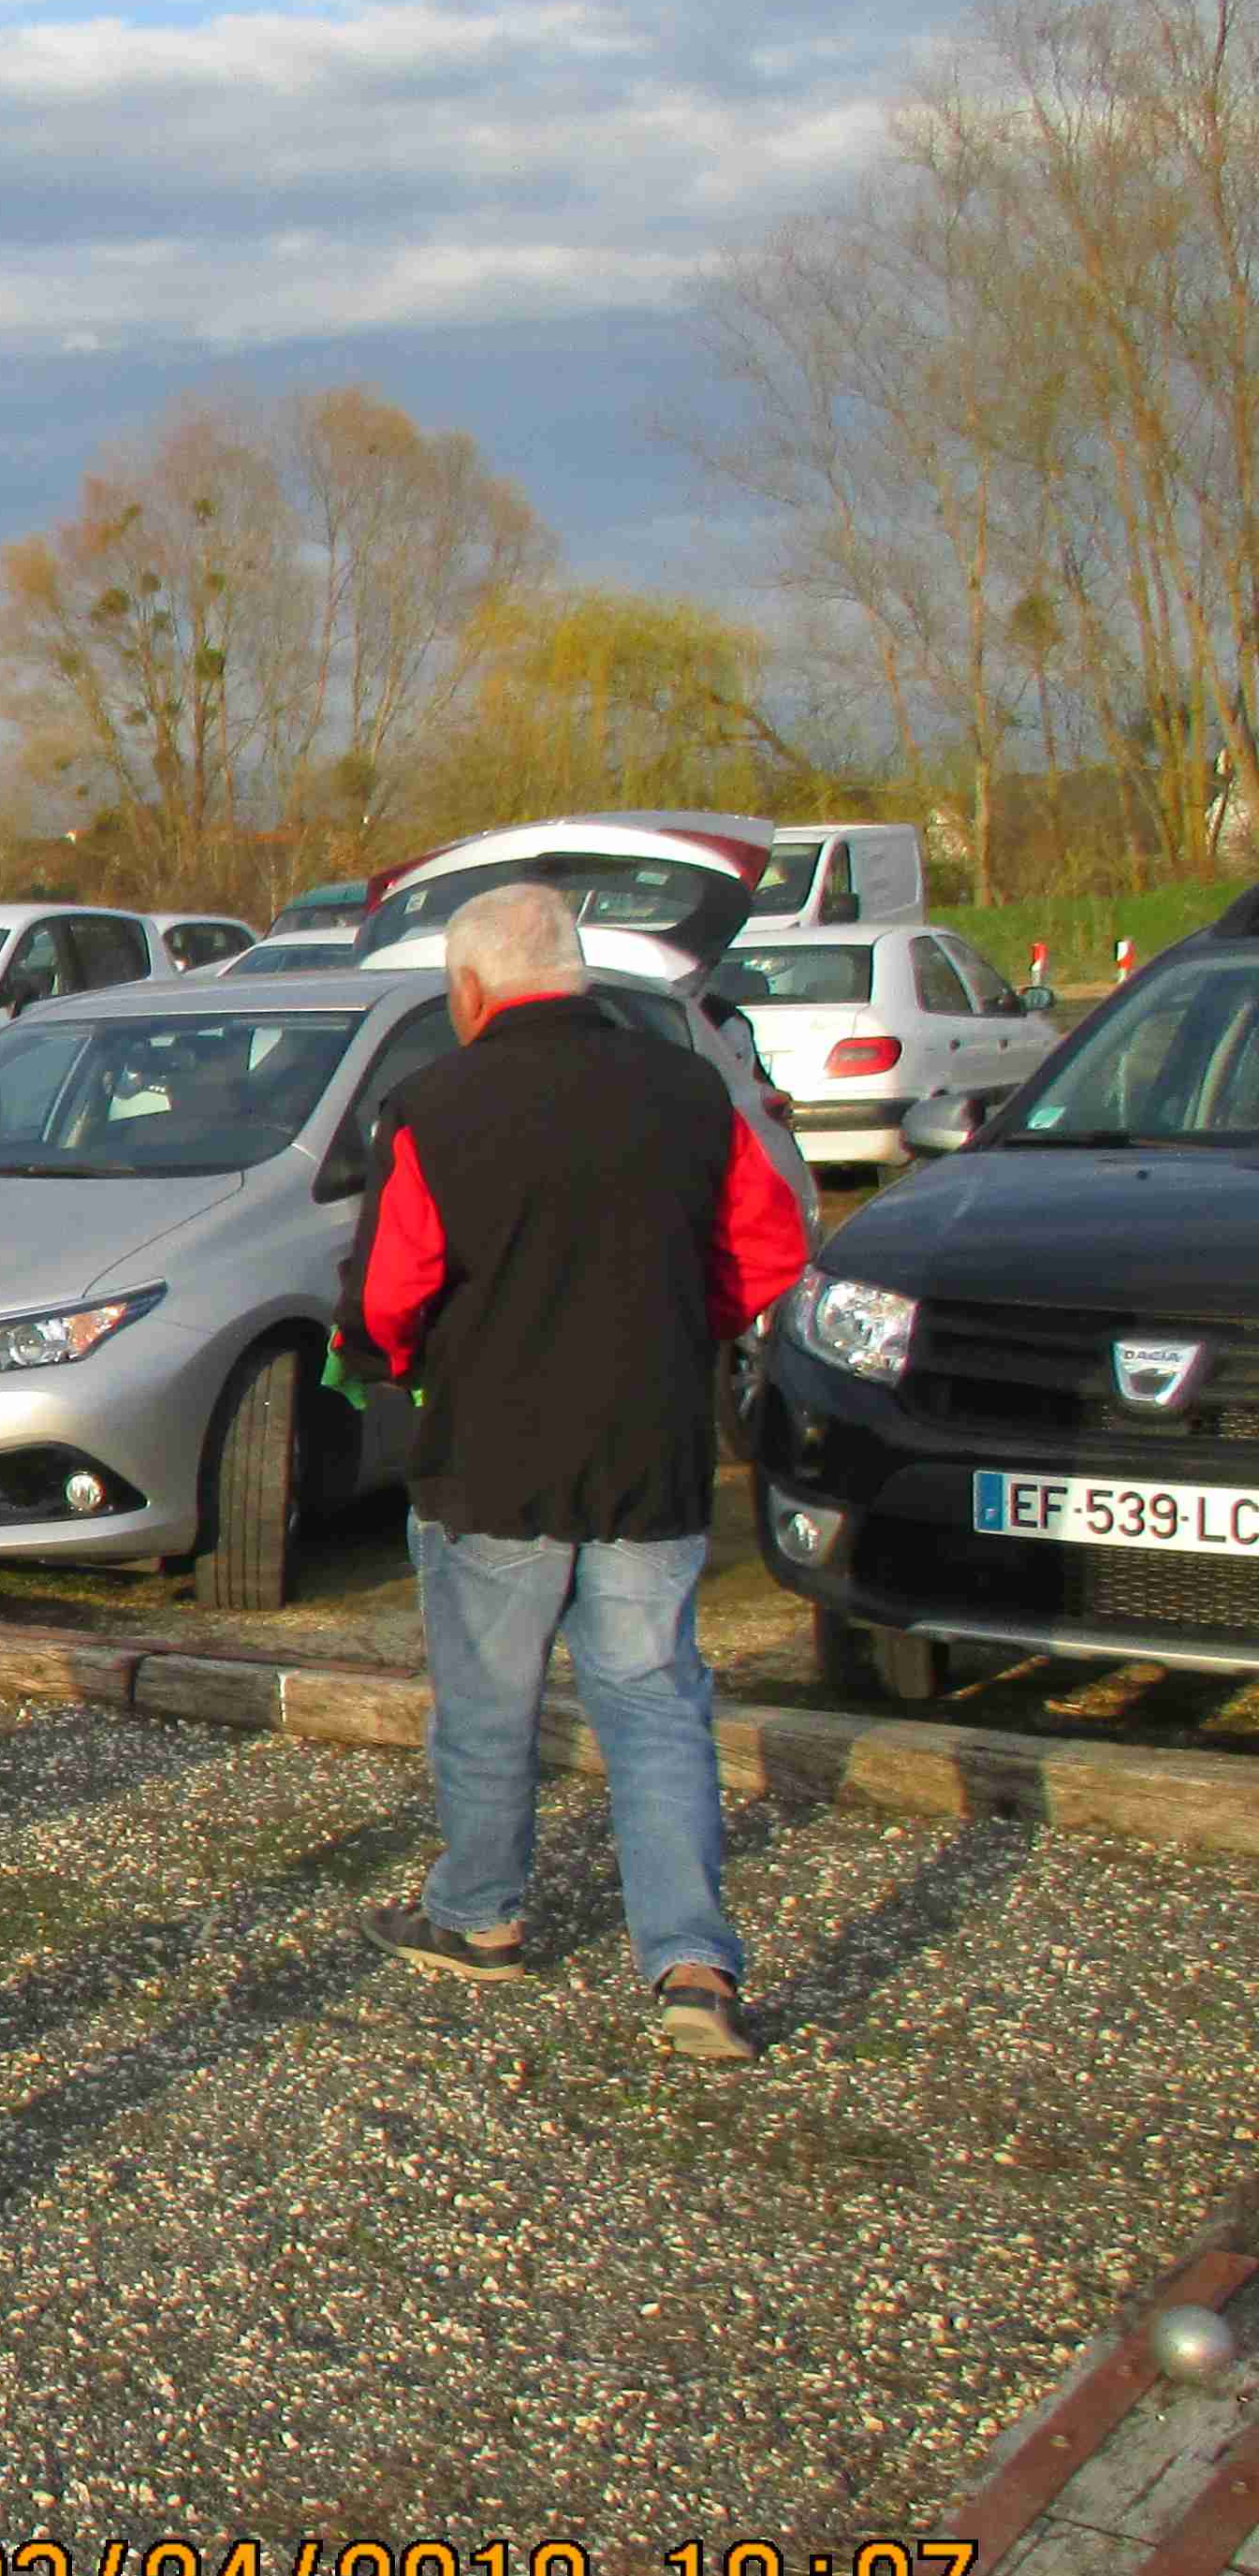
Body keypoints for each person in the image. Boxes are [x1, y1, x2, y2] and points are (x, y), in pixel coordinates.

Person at [338, 880, 812, 2061]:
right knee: (655, 1704)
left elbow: (390, 1294)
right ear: (577, 969)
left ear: (469, 987)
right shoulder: (690, 1091)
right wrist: (685, 1326)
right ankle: (692, 1965)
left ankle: (480, 1915)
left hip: (491, 1455)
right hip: (652, 1445)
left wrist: (398, 1361)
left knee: (489, 1706)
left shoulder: (437, 1107)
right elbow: (770, 1248)